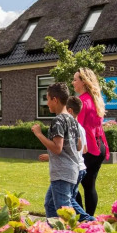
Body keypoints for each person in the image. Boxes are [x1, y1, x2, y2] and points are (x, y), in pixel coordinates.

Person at [32, 82, 81, 219]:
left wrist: (39, 134)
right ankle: (53, 229)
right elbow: (78, 146)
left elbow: (57, 148)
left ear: (55, 100)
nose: (47, 103)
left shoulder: (58, 120)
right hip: (72, 170)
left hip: (62, 173)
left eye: (47, 99)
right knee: (50, 204)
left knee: (64, 212)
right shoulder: (72, 119)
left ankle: (67, 232)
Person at [72, 67, 110, 216]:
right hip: (99, 146)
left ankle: (83, 217)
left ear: (83, 82)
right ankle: (89, 218)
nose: (73, 82)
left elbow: (78, 128)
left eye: (75, 79)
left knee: (71, 183)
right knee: (89, 186)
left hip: (86, 148)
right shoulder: (96, 100)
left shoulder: (81, 102)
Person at [66, 96, 95, 222]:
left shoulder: (71, 127)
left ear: (70, 111)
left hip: (74, 167)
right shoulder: (81, 128)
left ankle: (89, 220)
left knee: (69, 198)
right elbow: (85, 149)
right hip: (81, 168)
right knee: (70, 197)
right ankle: (78, 221)